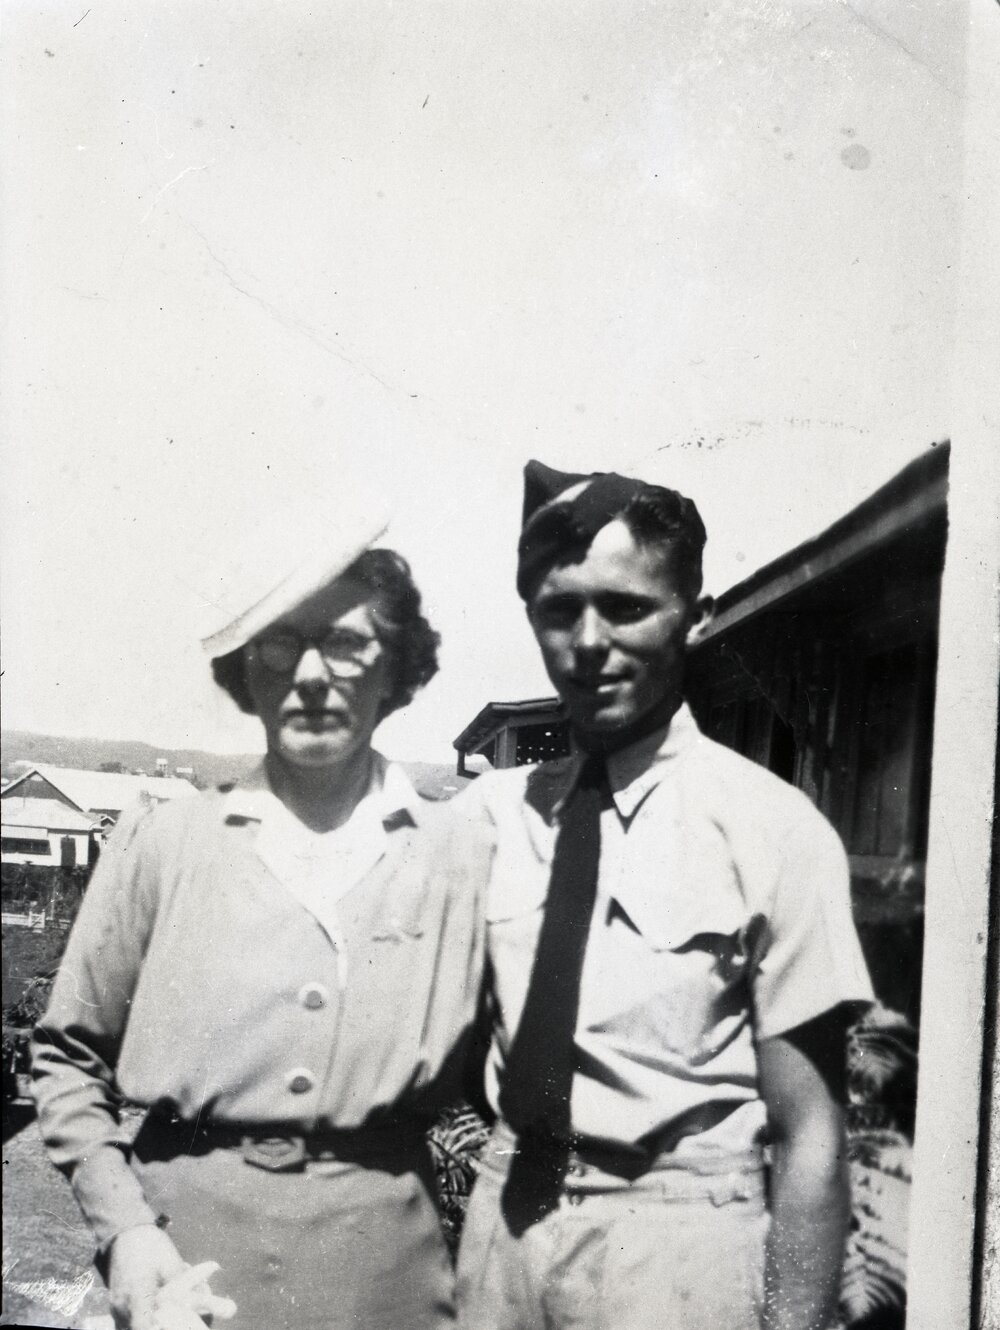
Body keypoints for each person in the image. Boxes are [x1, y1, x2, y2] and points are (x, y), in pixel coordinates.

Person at [32, 506, 491, 1330]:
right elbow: (68, 1057)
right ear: (248, 670)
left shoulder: (464, 860)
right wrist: (127, 1231)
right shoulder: (161, 845)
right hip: (184, 1268)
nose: (313, 673)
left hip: (388, 1284)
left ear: (397, 669)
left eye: (346, 642)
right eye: (282, 644)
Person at [456, 461, 874, 1330]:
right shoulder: (489, 819)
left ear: (697, 616)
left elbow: (811, 1137)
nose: (589, 642)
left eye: (627, 607)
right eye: (560, 611)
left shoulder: (774, 833)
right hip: (504, 1237)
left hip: (680, 1246)